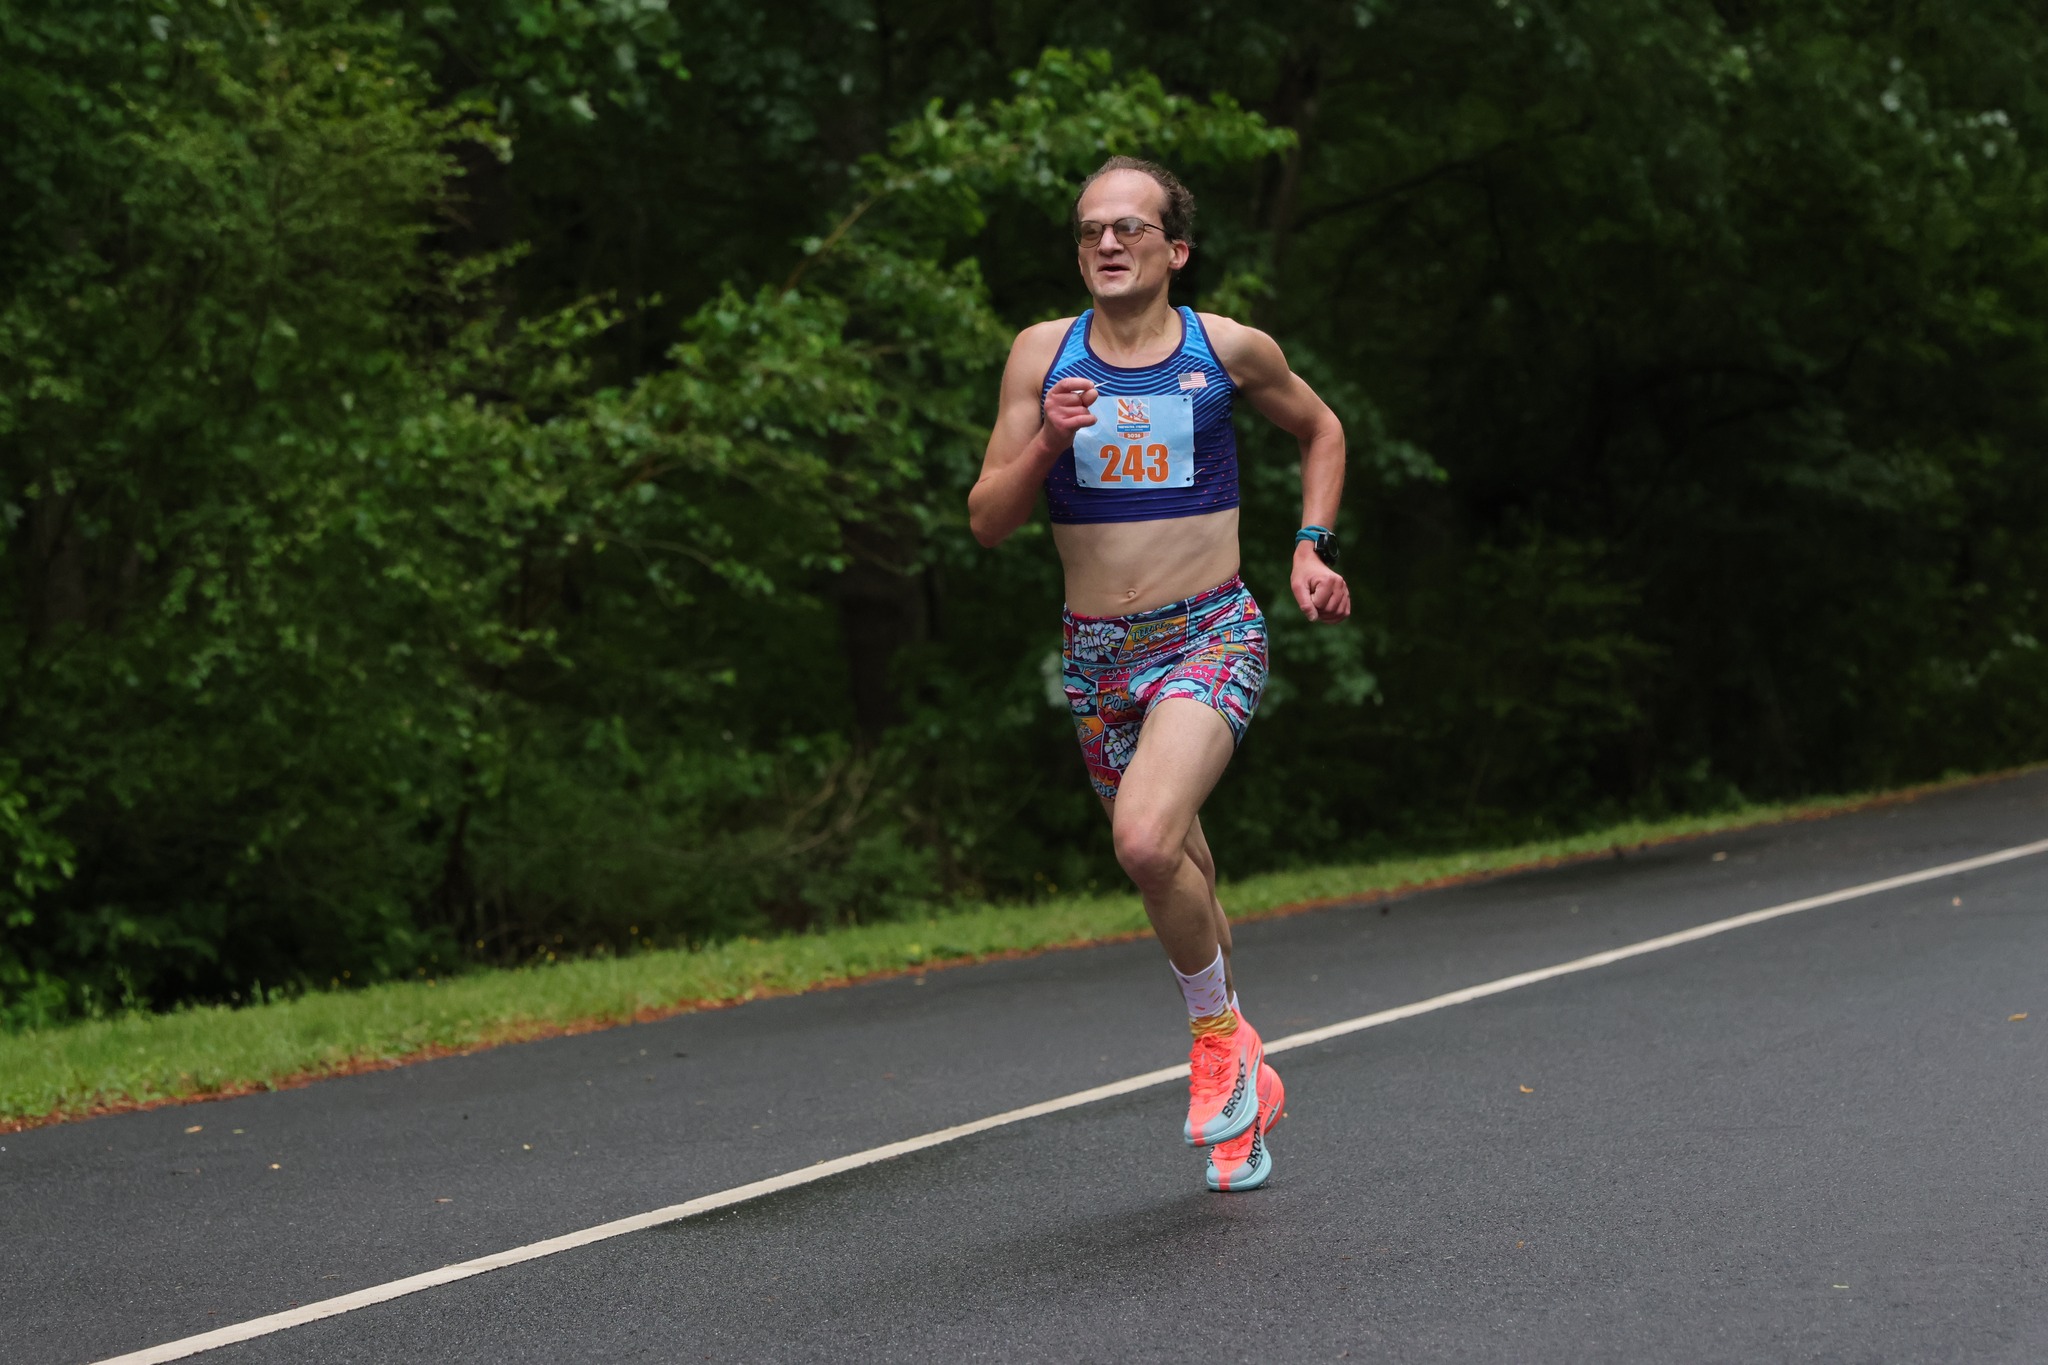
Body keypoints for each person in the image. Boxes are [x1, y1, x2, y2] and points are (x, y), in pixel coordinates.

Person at [968, 156, 1350, 1192]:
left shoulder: (1221, 348)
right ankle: (1244, 1114)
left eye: (1129, 229)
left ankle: (1217, 1040)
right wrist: (1049, 438)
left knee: (1141, 840)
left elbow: (1320, 428)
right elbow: (987, 521)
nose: (1105, 244)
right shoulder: (1038, 357)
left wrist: (1309, 545)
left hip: (1208, 632)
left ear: (1172, 249)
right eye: (1090, 230)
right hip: (1095, 654)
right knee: (1181, 861)